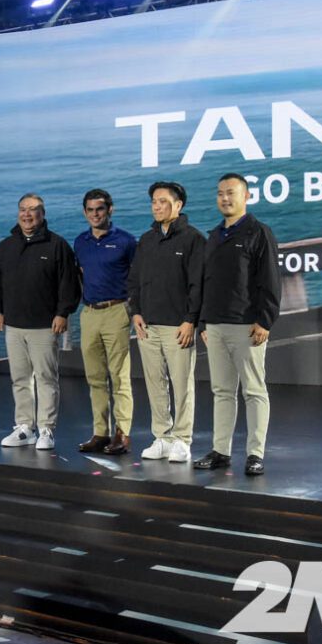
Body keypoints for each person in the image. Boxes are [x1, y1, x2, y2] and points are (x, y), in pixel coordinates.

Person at [194, 173, 282, 476]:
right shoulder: (215, 236)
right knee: (222, 391)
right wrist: (204, 322)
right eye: (220, 193)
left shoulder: (259, 232)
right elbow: (207, 282)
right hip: (215, 326)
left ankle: (255, 454)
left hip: (247, 325)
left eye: (231, 192)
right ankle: (221, 451)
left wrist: (264, 320)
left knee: (254, 391)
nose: (225, 198)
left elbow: (270, 280)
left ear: (246, 196)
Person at [0, 193, 80, 451]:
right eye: (23, 209)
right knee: (20, 378)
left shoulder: (57, 245)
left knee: (46, 378)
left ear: (43, 214)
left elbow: (69, 284)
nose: (27, 214)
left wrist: (63, 313)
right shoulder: (5, 247)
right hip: (14, 326)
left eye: (33, 210)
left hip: (45, 326)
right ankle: (24, 427)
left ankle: (46, 429)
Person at [127, 181, 205, 463]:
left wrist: (190, 320)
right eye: (154, 202)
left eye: (163, 201)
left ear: (178, 205)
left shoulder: (194, 239)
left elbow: (198, 284)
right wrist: (135, 312)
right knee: (155, 384)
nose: (157, 206)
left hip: (178, 326)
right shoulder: (147, 240)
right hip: (147, 326)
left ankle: (182, 440)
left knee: (182, 385)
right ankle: (162, 437)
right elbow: (134, 280)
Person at [72, 189, 137, 455]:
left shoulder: (126, 241)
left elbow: (136, 277)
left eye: (100, 209)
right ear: (85, 212)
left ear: (110, 210)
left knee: (119, 376)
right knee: (95, 377)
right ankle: (100, 433)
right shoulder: (80, 242)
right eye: (90, 210)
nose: (95, 214)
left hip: (116, 311)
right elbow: (81, 274)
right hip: (89, 313)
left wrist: (133, 310)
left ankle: (122, 434)